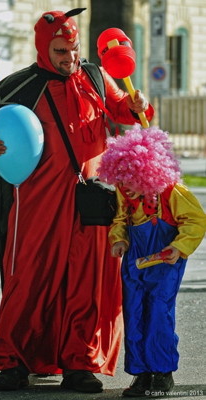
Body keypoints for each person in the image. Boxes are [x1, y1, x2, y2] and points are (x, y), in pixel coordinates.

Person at [0, 8, 153, 393]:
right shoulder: (19, 87)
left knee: (87, 283)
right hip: (36, 206)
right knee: (28, 281)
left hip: (90, 204)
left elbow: (128, 110)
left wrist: (139, 105)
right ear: (44, 49)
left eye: (74, 50)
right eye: (61, 52)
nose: (70, 59)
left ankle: (80, 363)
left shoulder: (96, 78)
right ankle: (14, 362)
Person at [98, 124, 206, 397]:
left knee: (158, 312)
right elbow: (120, 220)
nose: (124, 187)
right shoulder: (125, 193)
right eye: (120, 180)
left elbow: (195, 220)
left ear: (146, 172)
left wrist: (179, 247)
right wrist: (118, 239)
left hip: (166, 260)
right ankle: (142, 373)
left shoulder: (171, 192)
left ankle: (163, 373)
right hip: (135, 261)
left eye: (130, 179)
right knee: (134, 313)